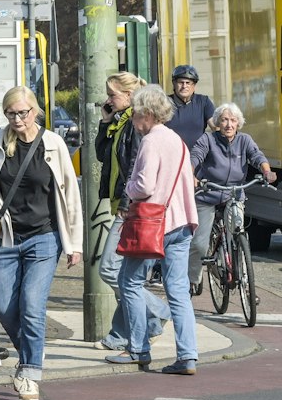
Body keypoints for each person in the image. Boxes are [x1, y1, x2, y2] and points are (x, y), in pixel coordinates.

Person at [0, 87, 81, 400]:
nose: (17, 119)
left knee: (31, 305)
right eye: (11, 113)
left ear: (35, 111)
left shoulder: (53, 144)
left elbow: (70, 195)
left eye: (23, 112)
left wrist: (75, 244)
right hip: (5, 237)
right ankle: (28, 354)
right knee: (3, 306)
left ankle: (30, 373)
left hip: (44, 238)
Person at [110, 84, 201, 376]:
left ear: (147, 114)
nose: (133, 120)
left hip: (154, 223)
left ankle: (138, 348)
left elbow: (145, 186)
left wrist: (128, 187)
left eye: (136, 114)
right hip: (182, 221)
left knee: (130, 281)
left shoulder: (150, 141)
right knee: (178, 291)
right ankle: (187, 356)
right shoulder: (177, 140)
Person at [93, 72, 158, 351]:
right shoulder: (119, 122)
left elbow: (134, 165)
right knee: (122, 275)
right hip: (122, 201)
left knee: (110, 269)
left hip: (130, 206)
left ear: (129, 96)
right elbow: (100, 155)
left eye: (112, 95)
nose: (108, 100)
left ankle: (156, 313)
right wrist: (105, 122)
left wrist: (125, 206)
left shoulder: (135, 123)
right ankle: (122, 333)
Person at [189, 103, 275, 277]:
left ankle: (243, 278)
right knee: (200, 244)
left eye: (233, 120)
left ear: (238, 123)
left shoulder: (245, 140)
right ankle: (193, 279)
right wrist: (191, 176)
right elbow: (195, 156)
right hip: (208, 193)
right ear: (218, 123)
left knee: (238, 231)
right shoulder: (208, 139)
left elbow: (256, 156)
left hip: (234, 194)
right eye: (224, 120)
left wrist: (266, 171)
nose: (229, 124)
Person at [167, 65, 216, 151]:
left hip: (198, 159)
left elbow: (216, 127)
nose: (184, 86)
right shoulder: (164, 103)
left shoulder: (203, 102)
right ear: (174, 84)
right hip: (171, 158)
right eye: (181, 82)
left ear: (194, 86)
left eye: (188, 83)